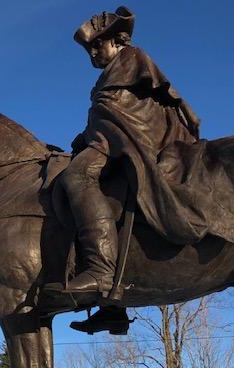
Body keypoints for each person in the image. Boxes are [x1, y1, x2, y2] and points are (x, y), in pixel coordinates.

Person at [58, 6, 200, 333]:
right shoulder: (117, 68)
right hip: (113, 138)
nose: (93, 53)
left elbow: (119, 111)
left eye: (97, 45)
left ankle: (100, 271)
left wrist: (91, 138)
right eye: (89, 49)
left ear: (116, 39)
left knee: (77, 176)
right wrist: (85, 136)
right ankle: (113, 308)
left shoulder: (131, 59)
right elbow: (107, 115)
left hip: (134, 140)